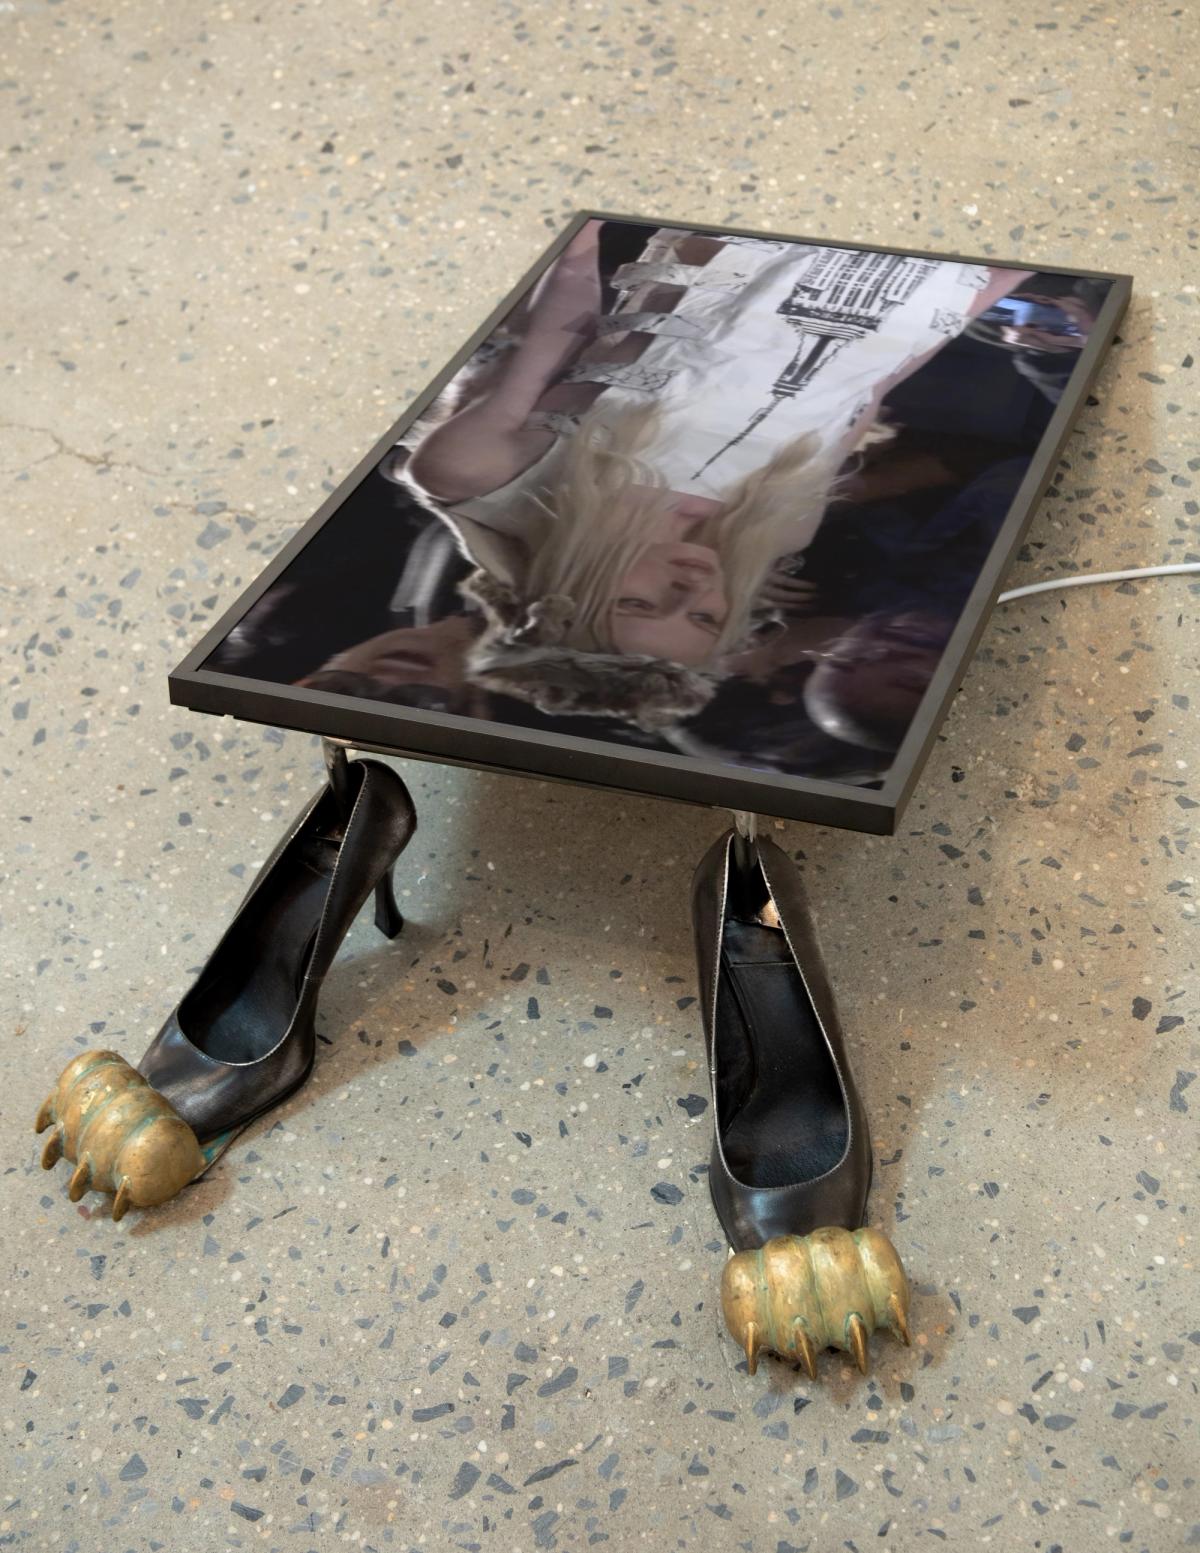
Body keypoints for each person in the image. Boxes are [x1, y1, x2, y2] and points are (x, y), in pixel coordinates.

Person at [395, 219, 1035, 729]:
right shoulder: (778, 530)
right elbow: (867, 385)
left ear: (562, 595)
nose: (692, 589)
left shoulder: (479, 476)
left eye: (640, 603)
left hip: (755, 227)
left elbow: (559, 306)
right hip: (925, 275)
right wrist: (991, 282)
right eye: (704, 618)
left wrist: (583, 222)